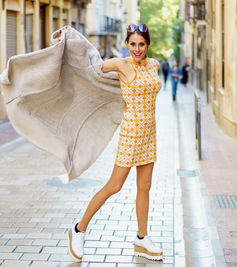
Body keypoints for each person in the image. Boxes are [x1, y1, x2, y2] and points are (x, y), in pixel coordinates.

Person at [66, 23, 163, 262]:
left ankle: (142, 238)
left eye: (141, 44)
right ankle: (78, 229)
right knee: (114, 186)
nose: (137, 49)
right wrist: (73, 37)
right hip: (131, 133)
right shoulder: (121, 64)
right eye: (132, 44)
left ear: (148, 44)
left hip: (150, 133)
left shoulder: (154, 64)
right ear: (126, 45)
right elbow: (91, 63)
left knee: (145, 186)